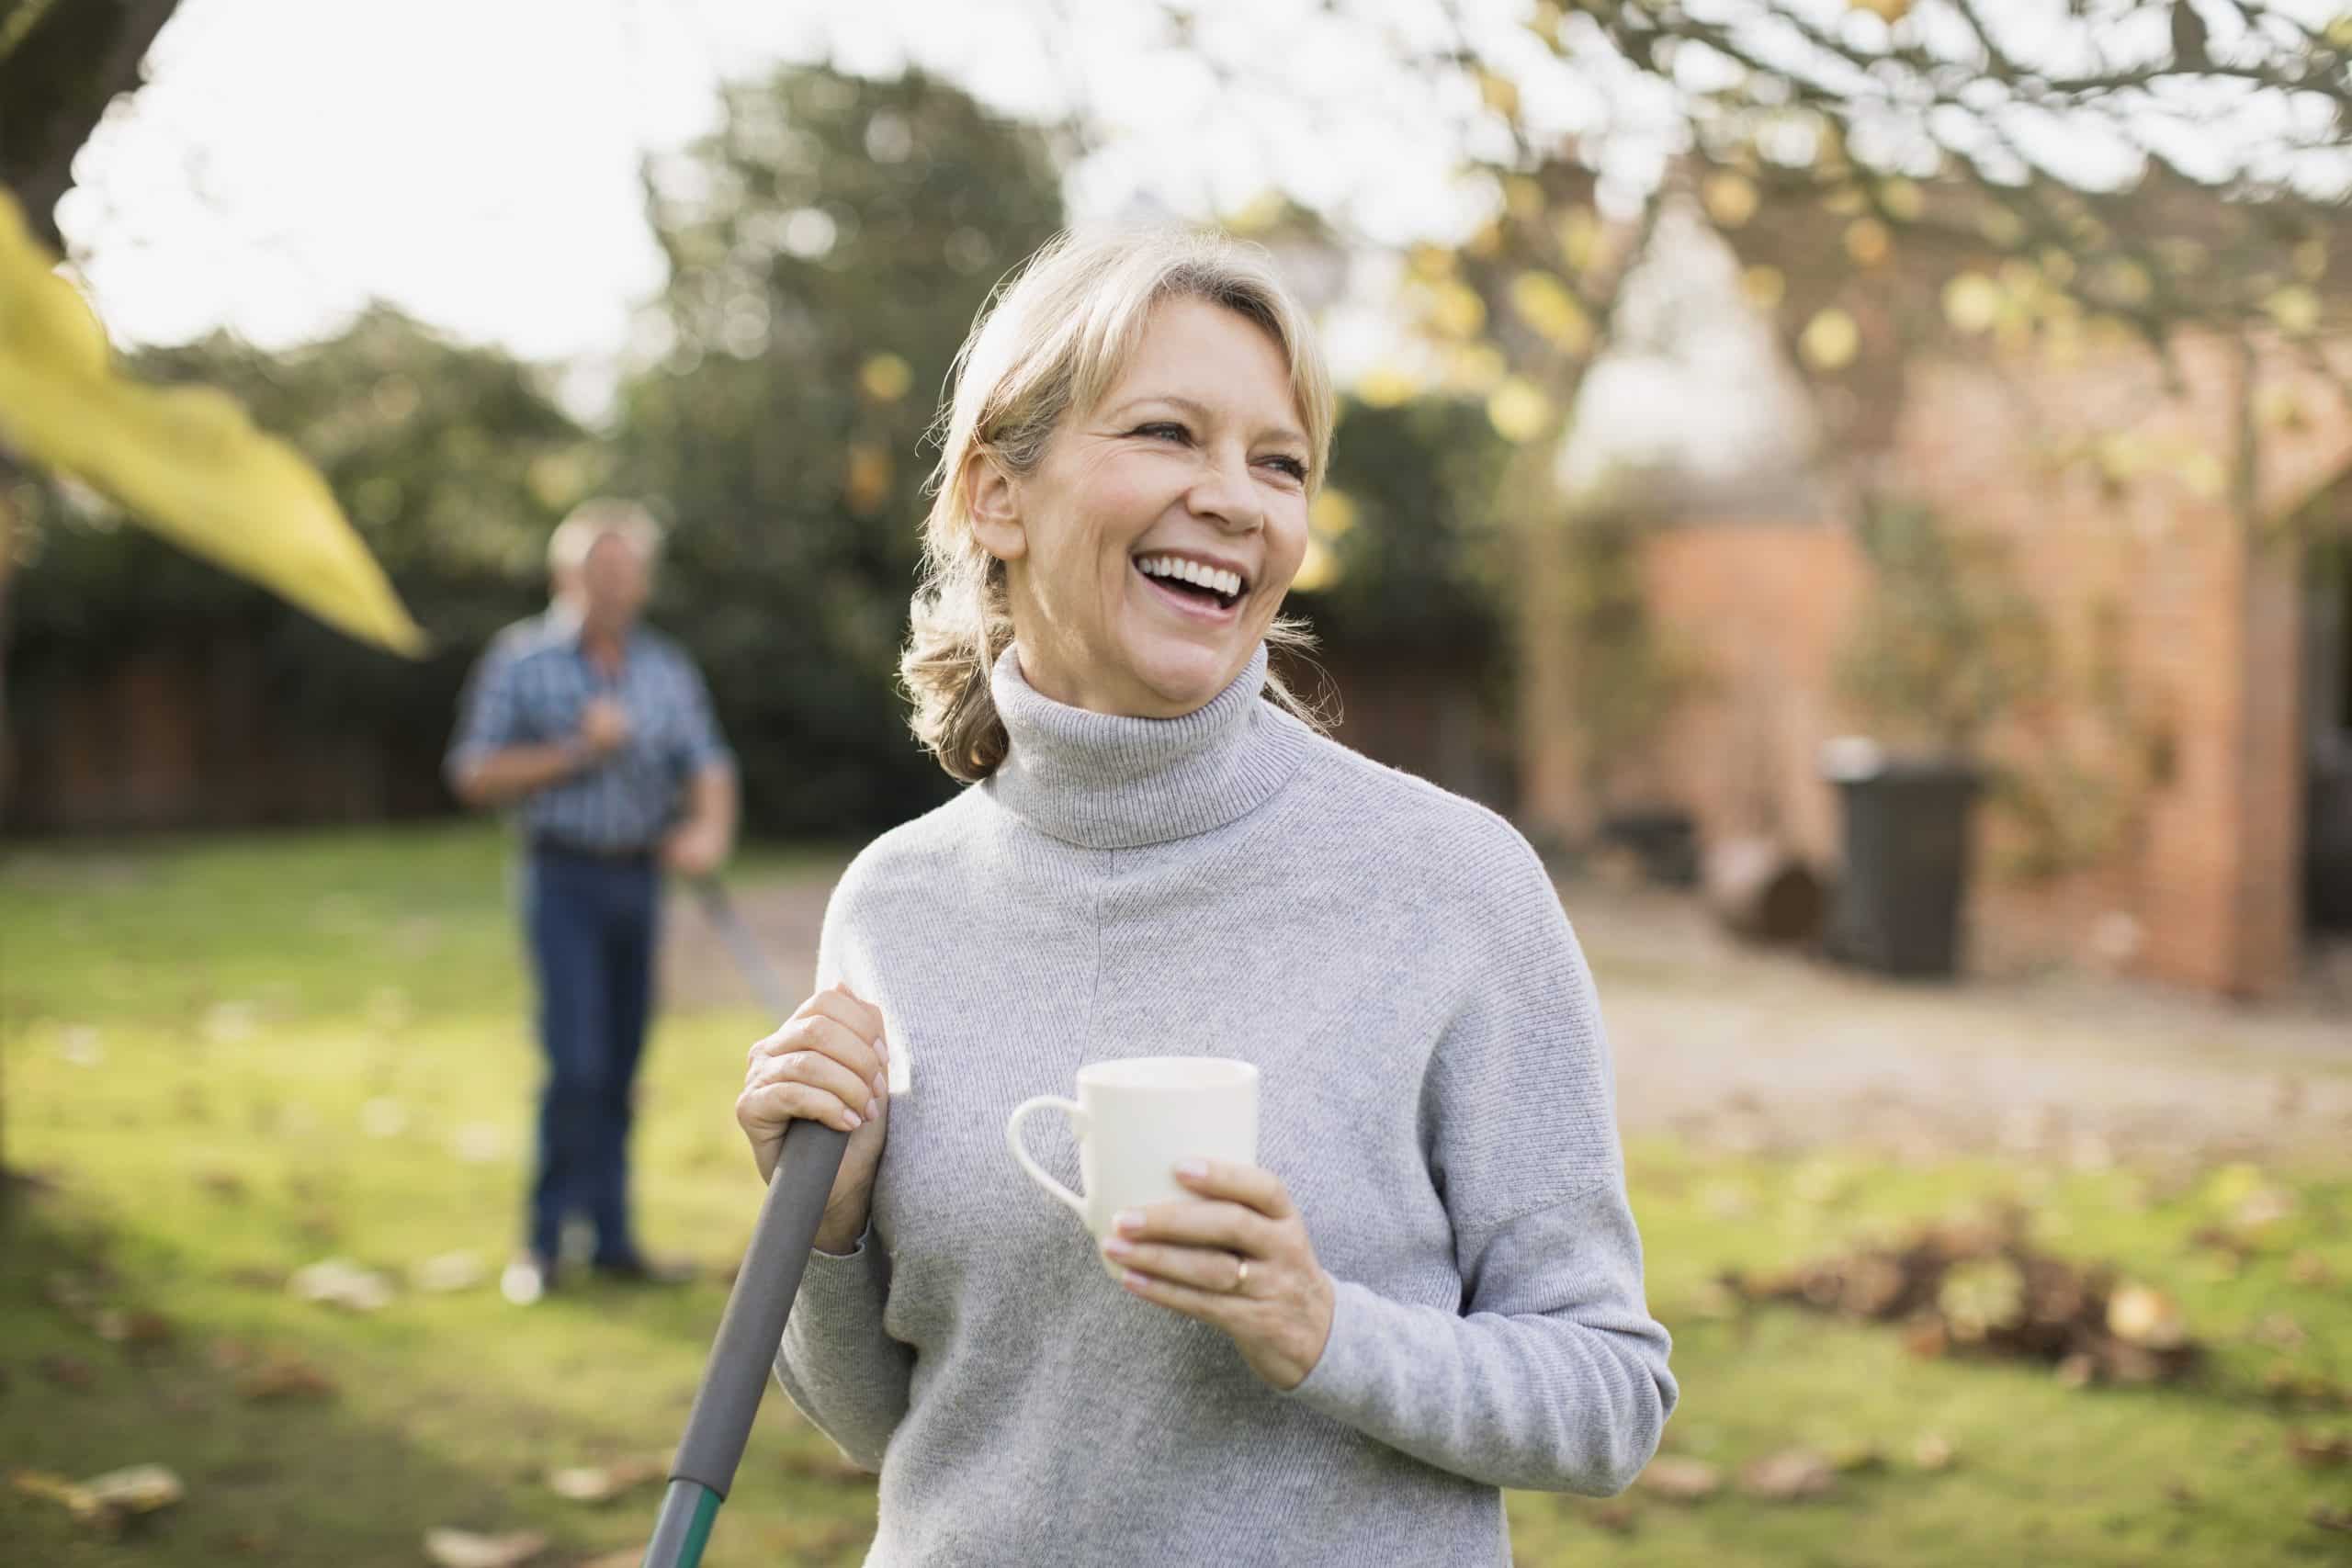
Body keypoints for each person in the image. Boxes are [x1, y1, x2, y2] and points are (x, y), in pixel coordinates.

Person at [736, 229, 1675, 1564]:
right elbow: (891, 1425)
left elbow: (1607, 1398)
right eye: (1170, 433)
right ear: (996, 495)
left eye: (1279, 461)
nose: (1238, 498)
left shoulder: (1450, 888)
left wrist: (1323, 1328)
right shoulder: (896, 904)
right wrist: (822, 1236)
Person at [447, 499, 738, 1304]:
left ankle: (612, 1241)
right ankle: (541, 1245)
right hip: (561, 875)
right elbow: (474, 773)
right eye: (598, 570)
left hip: (636, 878)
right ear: (564, 575)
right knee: (572, 1062)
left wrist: (706, 832)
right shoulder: (522, 660)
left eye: (628, 571)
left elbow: (708, 762)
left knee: (620, 1063)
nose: (614, 585)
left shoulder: (665, 669)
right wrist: (579, 751)